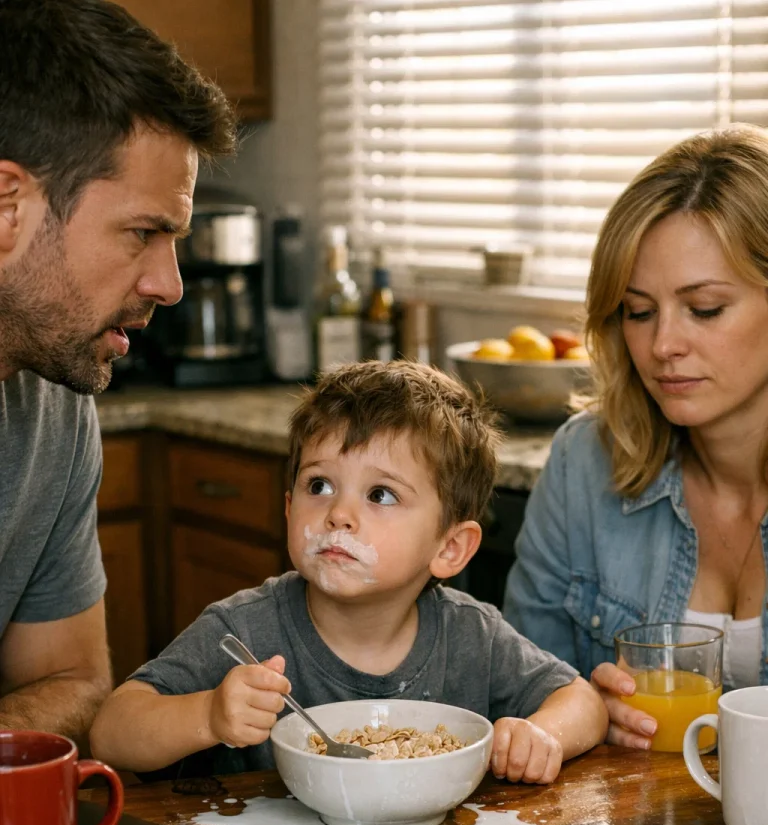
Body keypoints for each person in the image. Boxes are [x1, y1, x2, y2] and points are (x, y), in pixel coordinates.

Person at [90, 362, 608, 782]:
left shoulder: (472, 635)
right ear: (289, 507)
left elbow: (582, 700)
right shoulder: (245, 631)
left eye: (380, 494)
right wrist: (207, 716)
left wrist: (540, 736)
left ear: (451, 548)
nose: (339, 513)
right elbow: (113, 732)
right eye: (320, 485)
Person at [0, 0, 236, 744]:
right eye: (143, 232)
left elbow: (74, 685)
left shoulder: (55, 406)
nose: (171, 285)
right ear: (8, 208)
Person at [503, 123, 768, 749]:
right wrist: (583, 712)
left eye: (704, 308)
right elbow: (514, 686)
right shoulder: (584, 461)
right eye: (638, 311)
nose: (662, 345)